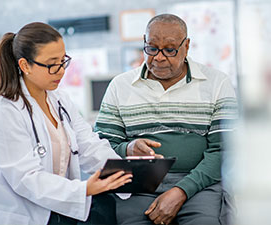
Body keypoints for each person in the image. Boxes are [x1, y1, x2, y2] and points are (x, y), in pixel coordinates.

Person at [0, 22, 132, 225]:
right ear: (25, 65)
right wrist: (83, 190)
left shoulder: (60, 100)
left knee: (105, 205)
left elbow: (89, 145)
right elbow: (25, 178)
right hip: (10, 209)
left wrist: (126, 172)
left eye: (63, 61)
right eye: (51, 64)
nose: (61, 71)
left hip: (50, 203)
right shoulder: (4, 110)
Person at [94, 14, 238, 225]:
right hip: (139, 184)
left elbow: (223, 151)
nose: (159, 57)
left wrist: (181, 190)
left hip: (199, 183)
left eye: (170, 50)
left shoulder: (216, 83)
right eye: (151, 48)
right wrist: (128, 148)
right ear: (144, 42)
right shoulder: (120, 86)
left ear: (186, 46)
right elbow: (99, 146)